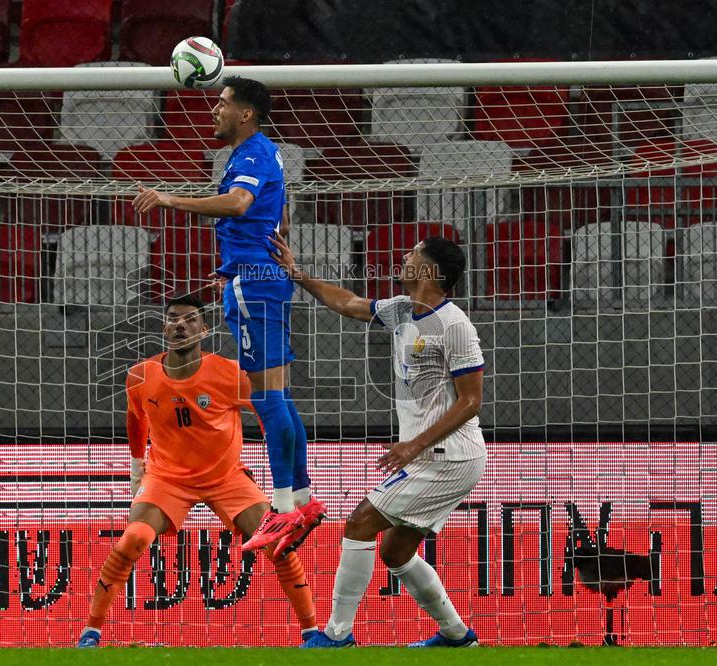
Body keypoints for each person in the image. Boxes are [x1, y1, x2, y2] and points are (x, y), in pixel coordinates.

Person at [132, 76, 323, 556]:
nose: (214, 110)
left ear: (246, 113)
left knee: (266, 398)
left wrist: (170, 199)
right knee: (277, 394)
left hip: (254, 285)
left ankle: (281, 511)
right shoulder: (263, 152)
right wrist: (261, 253)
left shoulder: (253, 153)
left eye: (222, 103)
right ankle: (301, 500)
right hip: (257, 277)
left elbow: (239, 204)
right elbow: (278, 211)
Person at [270, 233, 486, 648]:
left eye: (413, 252)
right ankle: (457, 636)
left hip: (449, 456)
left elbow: (471, 401)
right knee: (394, 553)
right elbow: (349, 304)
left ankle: (335, 635)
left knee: (360, 522)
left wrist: (413, 445)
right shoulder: (404, 310)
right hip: (431, 455)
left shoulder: (455, 325)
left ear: (430, 271)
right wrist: (298, 276)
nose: (404, 256)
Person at [77, 294, 318, 647]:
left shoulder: (231, 373)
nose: (180, 325)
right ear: (163, 328)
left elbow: (275, 418)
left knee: (279, 545)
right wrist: (135, 467)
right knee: (133, 540)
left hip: (226, 478)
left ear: (204, 330)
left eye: (190, 320)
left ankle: (312, 633)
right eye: (173, 318)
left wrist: (280, 475)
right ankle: (91, 632)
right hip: (166, 478)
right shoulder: (140, 376)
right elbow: (135, 419)